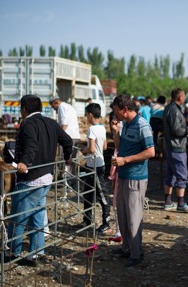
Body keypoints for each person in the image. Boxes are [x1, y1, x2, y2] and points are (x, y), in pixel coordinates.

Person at [3, 95, 73, 265]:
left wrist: (24, 162)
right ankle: (35, 253)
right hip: (47, 177)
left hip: (31, 179)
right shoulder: (51, 122)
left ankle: (13, 254)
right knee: (37, 216)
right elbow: (67, 140)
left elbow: (32, 145)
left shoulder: (27, 123)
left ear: (24, 109)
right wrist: (67, 157)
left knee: (18, 217)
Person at [110, 94, 155, 268]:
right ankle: (126, 248)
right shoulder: (127, 125)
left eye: (116, 111)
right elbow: (121, 148)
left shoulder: (142, 125)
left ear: (125, 109)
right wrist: (115, 132)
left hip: (135, 177)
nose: (115, 115)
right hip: (124, 175)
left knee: (134, 217)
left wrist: (126, 160)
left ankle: (137, 254)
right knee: (122, 214)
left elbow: (150, 152)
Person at [162, 88, 188, 213]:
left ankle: (168, 202)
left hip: (170, 147)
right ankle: (181, 204)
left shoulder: (169, 108)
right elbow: (177, 130)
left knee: (171, 175)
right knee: (182, 176)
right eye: (183, 96)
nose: (184, 98)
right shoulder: (174, 110)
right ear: (180, 97)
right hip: (177, 148)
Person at [75, 103, 111, 234]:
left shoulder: (92, 129)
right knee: (88, 193)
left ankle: (107, 222)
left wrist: (83, 151)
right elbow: (105, 147)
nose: (86, 117)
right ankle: (87, 219)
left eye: (86, 115)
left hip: (95, 166)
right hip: (96, 164)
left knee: (102, 194)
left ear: (90, 114)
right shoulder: (102, 128)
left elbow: (90, 148)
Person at [49, 96, 81, 189]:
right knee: (71, 160)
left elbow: (65, 124)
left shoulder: (61, 107)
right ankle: (71, 182)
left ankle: (66, 183)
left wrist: (58, 137)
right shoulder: (68, 106)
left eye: (53, 106)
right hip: (73, 136)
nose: (53, 108)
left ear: (56, 102)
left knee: (65, 159)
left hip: (67, 137)